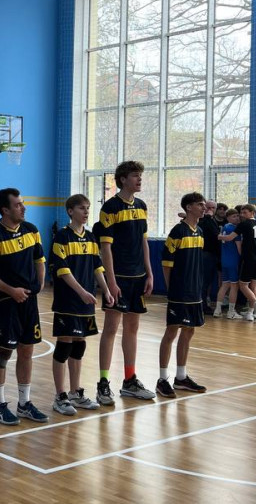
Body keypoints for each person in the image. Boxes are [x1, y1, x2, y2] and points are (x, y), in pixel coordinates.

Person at [0, 187, 48, 425]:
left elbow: (39, 259)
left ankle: (24, 403)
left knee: (27, 350)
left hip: (29, 302)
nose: (23, 207)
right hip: (7, 303)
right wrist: (11, 290)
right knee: (4, 352)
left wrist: (40, 283)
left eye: (23, 203)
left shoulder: (31, 230)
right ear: (5, 210)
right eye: (18, 205)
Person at [96, 161, 155, 403]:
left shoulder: (141, 206)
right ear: (122, 179)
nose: (139, 179)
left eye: (140, 175)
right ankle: (103, 383)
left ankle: (130, 380)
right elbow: (105, 248)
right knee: (111, 329)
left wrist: (149, 273)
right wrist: (110, 281)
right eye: (135, 176)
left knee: (132, 329)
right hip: (118, 277)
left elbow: (143, 243)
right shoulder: (110, 207)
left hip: (138, 277)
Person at [49, 195, 114, 416]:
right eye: (81, 208)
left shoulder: (90, 237)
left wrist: (106, 290)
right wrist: (82, 292)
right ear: (70, 211)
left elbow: (97, 266)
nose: (86, 212)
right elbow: (62, 270)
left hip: (86, 301)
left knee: (79, 345)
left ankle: (75, 392)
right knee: (64, 346)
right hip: (68, 301)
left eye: (88, 208)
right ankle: (60, 395)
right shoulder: (62, 237)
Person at [156, 192, 208, 398]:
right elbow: (166, 264)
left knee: (189, 331)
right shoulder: (178, 231)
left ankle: (181, 377)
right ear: (188, 207)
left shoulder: (200, 231)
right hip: (179, 292)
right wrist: (172, 289)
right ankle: (162, 379)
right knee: (171, 332)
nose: (204, 208)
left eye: (204, 204)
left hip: (195, 291)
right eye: (200, 204)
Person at [219, 204, 256, 322]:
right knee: (254, 286)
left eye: (245, 212)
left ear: (253, 213)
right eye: (241, 213)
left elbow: (230, 238)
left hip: (248, 259)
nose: (242, 215)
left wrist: (220, 236)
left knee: (243, 285)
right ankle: (251, 313)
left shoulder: (244, 224)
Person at [212, 209, 243, 319]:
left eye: (238, 216)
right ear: (228, 218)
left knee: (225, 285)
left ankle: (217, 310)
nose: (237, 218)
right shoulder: (234, 229)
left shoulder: (224, 227)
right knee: (234, 286)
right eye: (234, 216)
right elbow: (239, 248)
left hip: (224, 260)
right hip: (233, 260)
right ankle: (231, 311)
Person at [199, 200, 221, 315]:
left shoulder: (212, 220)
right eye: (208, 207)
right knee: (203, 281)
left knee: (208, 281)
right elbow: (214, 233)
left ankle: (202, 304)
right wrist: (207, 217)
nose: (210, 210)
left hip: (213, 254)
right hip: (205, 254)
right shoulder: (202, 220)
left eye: (213, 208)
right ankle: (201, 306)